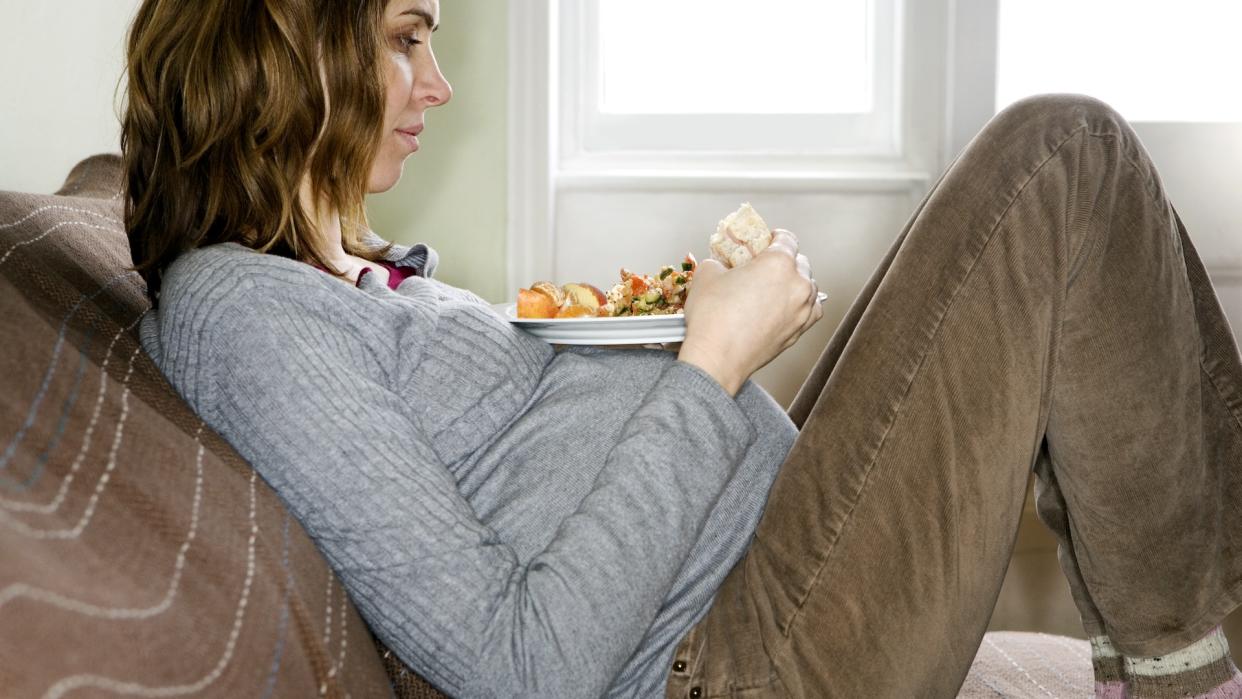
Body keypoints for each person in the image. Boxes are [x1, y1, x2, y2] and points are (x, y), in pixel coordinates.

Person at [124, 0, 1242, 697]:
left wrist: (714, 332)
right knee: (1061, 154)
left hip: (759, 570)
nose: (439, 83)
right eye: (405, 37)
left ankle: (1181, 642)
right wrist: (708, 366)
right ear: (287, 50)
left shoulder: (341, 270)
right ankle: (1190, 672)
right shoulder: (245, 313)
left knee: (1052, 220)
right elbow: (525, 670)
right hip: (731, 663)